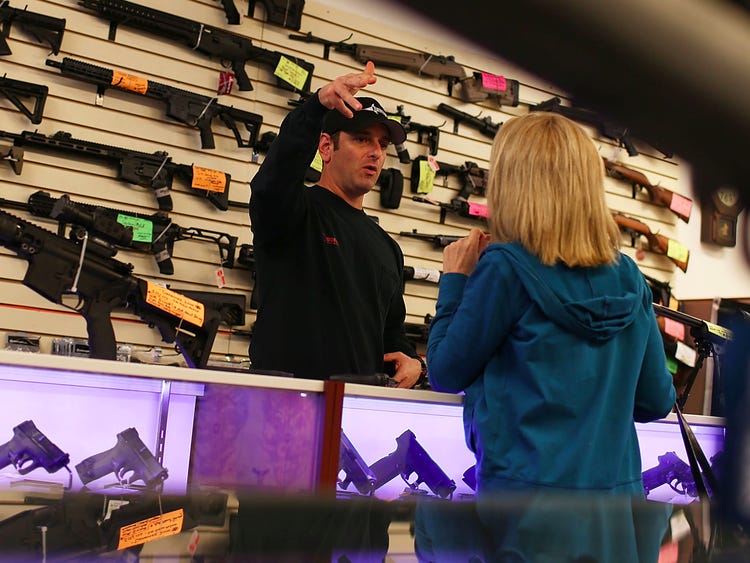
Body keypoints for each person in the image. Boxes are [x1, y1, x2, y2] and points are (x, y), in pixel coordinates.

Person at [423, 112, 677, 561]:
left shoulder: (505, 268)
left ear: (511, 182)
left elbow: (445, 371)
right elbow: (656, 401)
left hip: (525, 513)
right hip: (615, 514)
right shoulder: (631, 277)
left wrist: (456, 280)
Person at [248, 62, 423, 388]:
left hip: (356, 416)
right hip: (284, 409)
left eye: (382, 145)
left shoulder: (387, 248)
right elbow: (273, 181)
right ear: (326, 147)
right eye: (361, 139)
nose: (375, 153)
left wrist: (412, 362)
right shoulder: (293, 213)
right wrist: (316, 107)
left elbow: (391, 334)